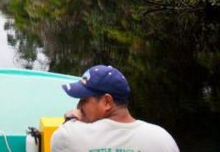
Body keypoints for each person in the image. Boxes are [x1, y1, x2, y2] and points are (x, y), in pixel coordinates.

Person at [51, 65, 179, 152]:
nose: (79, 106)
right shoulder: (163, 140)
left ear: (107, 102)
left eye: (84, 100)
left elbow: (58, 140)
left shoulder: (69, 135)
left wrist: (71, 118)